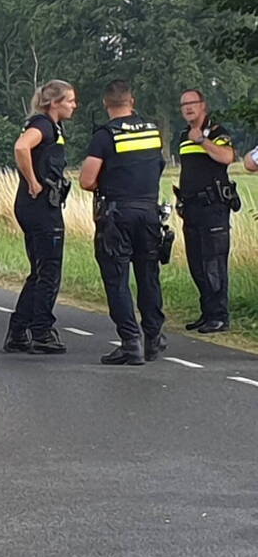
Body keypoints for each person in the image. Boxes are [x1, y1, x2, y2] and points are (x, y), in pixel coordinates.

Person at [79, 80, 166, 365]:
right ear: (133, 101)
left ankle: (131, 343)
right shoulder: (153, 132)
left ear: (106, 104)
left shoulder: (105, 136)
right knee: (148, 275)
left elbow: (87, 180)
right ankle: (153, 338)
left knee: (117, 279)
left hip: (117, 215)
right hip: (150, 213)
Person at [4, 80, 77, 354]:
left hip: (32, 207)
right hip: (40, 207)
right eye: (69, 100)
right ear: (54, 102)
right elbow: (22, 147)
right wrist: (34, 182)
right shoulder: (43, 125)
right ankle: (42, 332)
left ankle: (18, 331)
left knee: (39, 271)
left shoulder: (50, 126)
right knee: (49, 272)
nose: (74, 105)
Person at [174, 89, 237, 334]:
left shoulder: (218, 132)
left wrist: (202, 140)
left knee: (214, 263)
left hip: (214, 208)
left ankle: (220, 316)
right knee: (197, 263)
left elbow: (227, 157)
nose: (188, 108)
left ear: (203, 106)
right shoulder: (182, 136)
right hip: (192, 208)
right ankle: (207, 312)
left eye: (192, 103)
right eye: (183, 105)